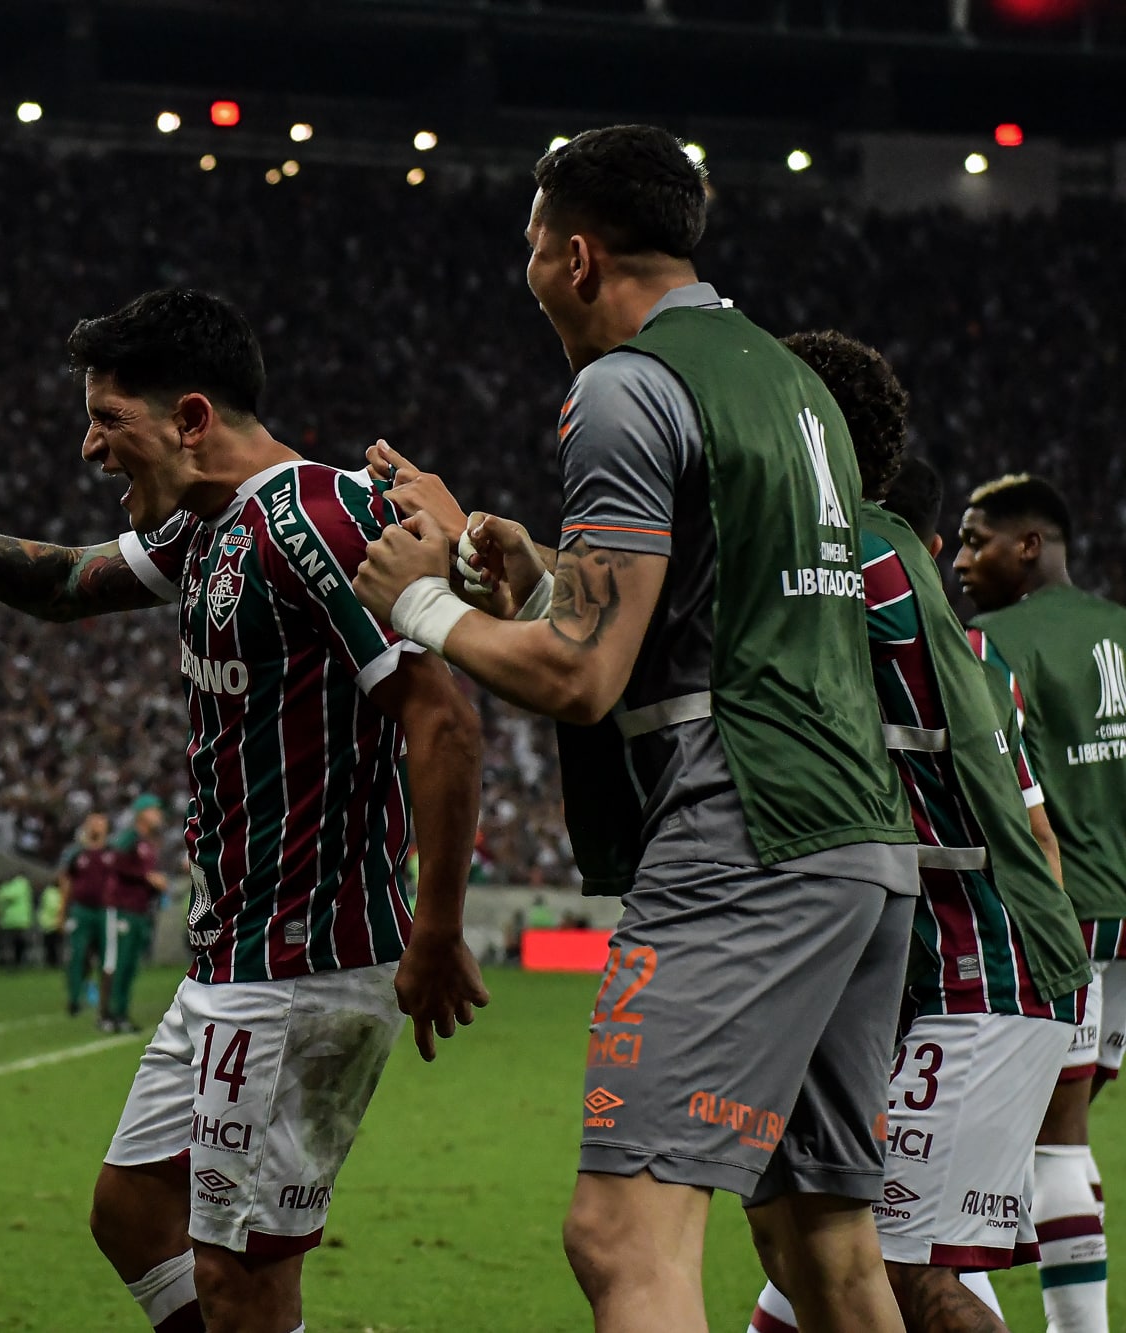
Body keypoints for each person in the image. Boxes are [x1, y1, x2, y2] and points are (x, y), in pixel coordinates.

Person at [350, 126, 918, 1333]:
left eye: (530, 252)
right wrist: (532, 573)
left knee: (620, 1234)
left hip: (741, 836)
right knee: (822, 1246)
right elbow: (712, 622)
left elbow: (580, 676)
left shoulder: (623, 385)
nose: (528, 278)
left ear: (574, 257)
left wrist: (420, 603)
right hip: (860, 845)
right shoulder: (791, 384)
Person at [0, 285, 486, 1333]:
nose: (89, 446)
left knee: (242, 1279)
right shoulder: (207, 527)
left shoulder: (319, 519)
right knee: (133, 1212)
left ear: (190, 417)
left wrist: (438, 928)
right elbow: (64, 584)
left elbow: (443, 720)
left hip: (302, 961)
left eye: (108, 418)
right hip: (229, 961)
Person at [745, 338, 1087, 1333]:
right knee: (812, 1261)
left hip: (978, 978)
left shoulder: (844, 559)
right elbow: (1035, 833)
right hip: (955, 974)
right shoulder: (954, 628)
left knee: (907, 1278)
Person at [959, 471, 1126, 1333]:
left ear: (1029, 544)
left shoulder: (994, 642)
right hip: (1123, 926)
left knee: (1047, 1140)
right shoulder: (1120, 629)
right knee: (1059, 1133)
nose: (960, 560)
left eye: (975, 540)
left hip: (1065, 916)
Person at [103, 795, 169, 1034]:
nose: (159, 815)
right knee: (119, 962)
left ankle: (121, 1012)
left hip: (139, 909)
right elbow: (115, 861)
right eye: (154, 810)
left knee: (130, 964)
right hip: (123, 908)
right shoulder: (129, 838)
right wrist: (147, 877)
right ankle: (111, 1013)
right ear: (142, 813)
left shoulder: (146, 842)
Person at [62, 813, 119, 1018]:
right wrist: (62, 911)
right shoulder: (76, 853)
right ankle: (74, 998)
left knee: (107, 958)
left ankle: (106, 1002)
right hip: (81, 910)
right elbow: (66, 881)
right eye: (92, 823)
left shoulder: (113, 852)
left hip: (106, 910)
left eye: (99, 823)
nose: (95, 827)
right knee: (77, 954)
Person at [0, 871, 36, 968]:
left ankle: (13, 963)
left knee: (13, 944)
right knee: (15, 944)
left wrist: (0, 892)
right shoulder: (21, 886)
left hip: (15, 920)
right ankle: (13, 963)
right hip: (15, 921)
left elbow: (6, 895)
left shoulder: (20, 884)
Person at [39, 873, 67, 970]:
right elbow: (53, 907)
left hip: (53, 923)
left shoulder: (52, 892)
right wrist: (63, 910)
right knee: (51, 945)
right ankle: (52, 963)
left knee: (54, 945)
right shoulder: (52, 892)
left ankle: (54, 963)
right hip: (51, 923)